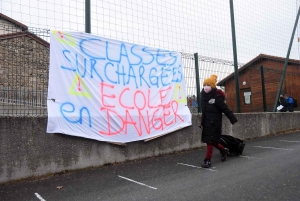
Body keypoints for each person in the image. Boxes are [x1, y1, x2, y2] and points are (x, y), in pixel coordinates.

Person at [200, 74, 238, 168]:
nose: (206, 87)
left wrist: (232, 118)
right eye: (205, 85)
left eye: (208, 85)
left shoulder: (217, 97)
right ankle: (223, 150)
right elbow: (204, 112)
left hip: (214, 124)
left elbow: (225, 108)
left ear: (212, 86)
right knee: (212, 141)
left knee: (210, 142)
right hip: (206, 123)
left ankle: (207, 160)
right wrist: (202, 123)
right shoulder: (204, 97)